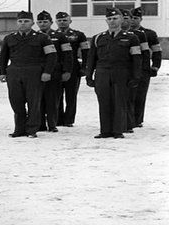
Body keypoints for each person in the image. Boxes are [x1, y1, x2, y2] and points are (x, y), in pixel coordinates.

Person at [0, 11, 57, 138]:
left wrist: (47, 72)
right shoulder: (10, 38)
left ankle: (31, 129)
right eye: (20, 21)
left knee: (33, 102)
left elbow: (51, 56)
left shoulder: (42, 38)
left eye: (26, 21)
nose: (23, 24)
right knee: (16, 101)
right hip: (14, 72)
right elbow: (3, 57)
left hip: (34, 72)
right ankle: (19, 129)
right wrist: (2, 72)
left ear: (32, 23)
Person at [86, 8, 141, 139]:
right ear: (106, 21)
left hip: (121, 73)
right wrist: (89, 75)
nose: (112, 21)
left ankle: (118, 130)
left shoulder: (131, 38)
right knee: (104, 102)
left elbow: (137, 58)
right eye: (109, 19)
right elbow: (91, 58)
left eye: (115, 18)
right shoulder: (98, 38)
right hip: (102, 73)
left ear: (121, 20)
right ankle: (105, 130)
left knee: (119, 102)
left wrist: (136, 76)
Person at [36, 11, 73, 132]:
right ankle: (40, 123)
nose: (42, 24)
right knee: (38, 99)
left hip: (55, 72)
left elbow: (68, 55)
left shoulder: (60, 36)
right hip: (37, 72)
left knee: (53, 99)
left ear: (51, 23)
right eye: (40, 22)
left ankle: (52, 124)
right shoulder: (34, 36)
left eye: (45, 22)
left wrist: (67, 70)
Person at [55, 11, 89, 127]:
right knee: (56, 95)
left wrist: (85, 67)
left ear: (70, 21)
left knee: (71, 95)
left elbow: (86, 52)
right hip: (57, 68)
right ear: (56, 22)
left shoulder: (78, 35)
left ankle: (69, 120)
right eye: (59, 20)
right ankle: (58, 119)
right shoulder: (52, 35)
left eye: (65, 20)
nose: (62, 22)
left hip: (73, 68)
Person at [129, 7, 162, 128]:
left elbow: (157, 51)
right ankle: (127, 118)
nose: (133, 20)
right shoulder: (123, 33)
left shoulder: (149, 34)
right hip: (128, 68)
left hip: (143, 69)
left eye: (136, 18)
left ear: (141, 19)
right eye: (131, 18)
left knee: (140, 95)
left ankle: (137, 120)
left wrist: (155, 67)